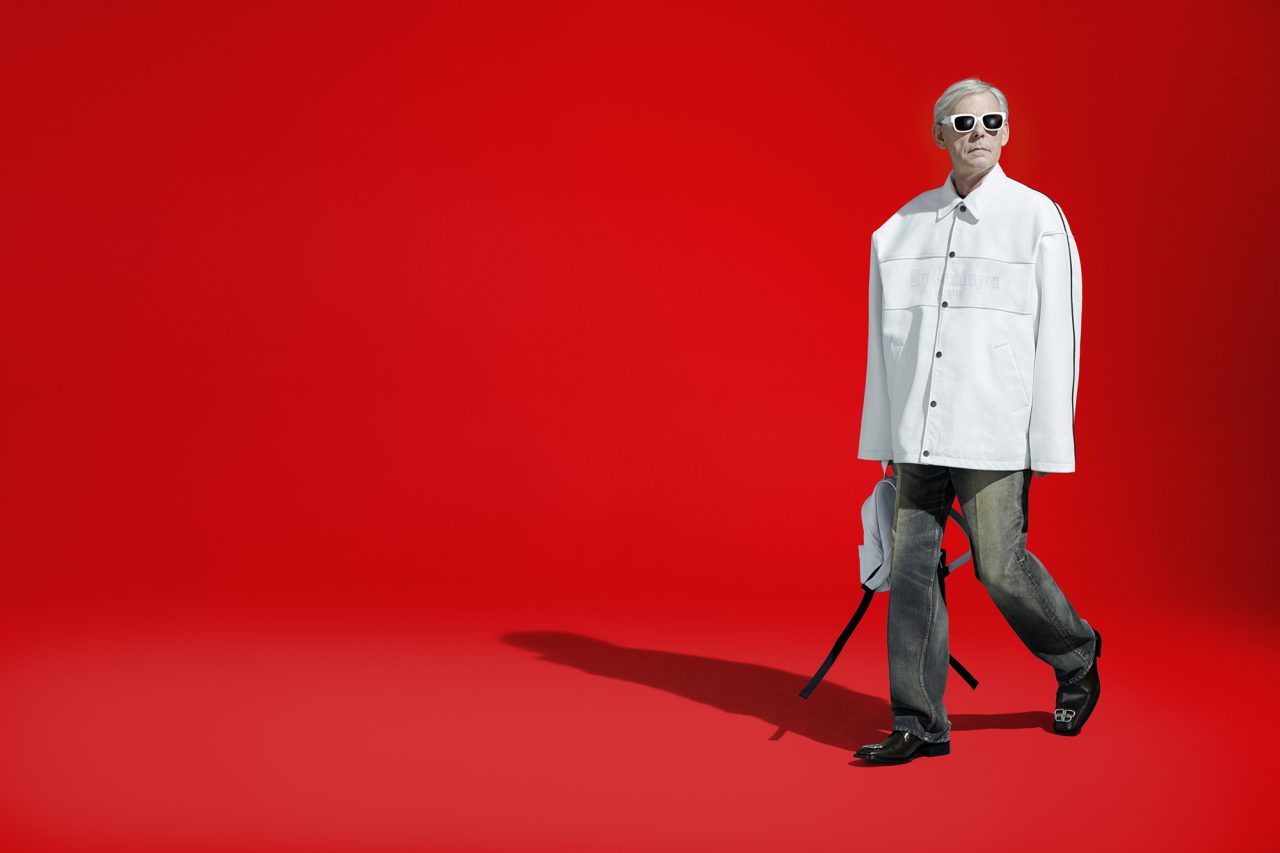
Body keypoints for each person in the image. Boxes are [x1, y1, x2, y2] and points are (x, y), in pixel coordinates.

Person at [851, 78, 1100, 764]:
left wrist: (1049, 442)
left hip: (996, 430)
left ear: (1007, 131)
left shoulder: (1037, 219)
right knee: (911, 570)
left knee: (999, 565)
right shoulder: (900, 229)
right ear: (940, 135)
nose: (979, 132)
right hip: (919, 433)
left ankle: (1076, 653)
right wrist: (885, 437)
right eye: (963, 123)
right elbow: (885, 346)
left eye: (992, 121)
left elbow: (1060, 336)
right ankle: (918, 720)